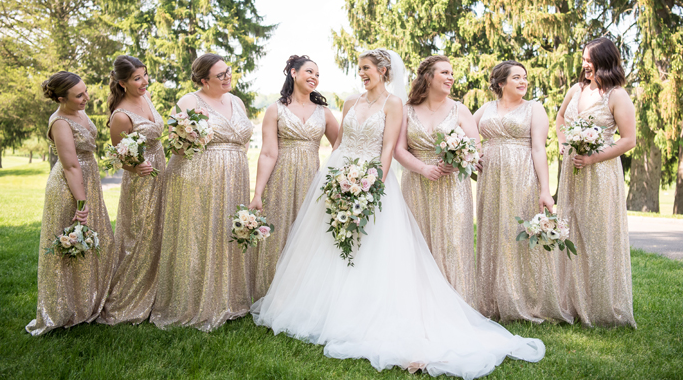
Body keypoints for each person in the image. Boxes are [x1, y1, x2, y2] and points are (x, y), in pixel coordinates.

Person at [252, 49, 545, 378]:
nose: (361, 73)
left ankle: (367, 312)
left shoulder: (394, 105)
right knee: (328, 243)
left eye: (366, 68)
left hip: (373, 181)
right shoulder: (350, 102)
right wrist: (331, 180)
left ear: (383, 70)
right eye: (359, 68)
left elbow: (389, 148)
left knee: (372, 249)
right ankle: (321, 308)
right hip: (337, 177)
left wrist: (370, 186)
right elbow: (339, 145)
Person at [151, 54, 254, 331]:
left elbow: (242, 140)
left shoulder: (237, 101)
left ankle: (229, 296)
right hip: (197, 176)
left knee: (227, 232)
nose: (227, 77)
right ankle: (196, 301)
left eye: (228, 71)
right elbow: (177, 146)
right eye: (220, 75)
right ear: (203, 80)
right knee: (201, 233)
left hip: (234, 177)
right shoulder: (189, 101)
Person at [473, 61, 572, 324]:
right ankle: (492, 299)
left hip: (522, 178)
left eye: (525, 77)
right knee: (494, 232)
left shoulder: (534, 109)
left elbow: (539, 149)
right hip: (491, 181)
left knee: (517, 234)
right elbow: (465, 133)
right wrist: (473, 155)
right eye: (516, 77)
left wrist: (545, 191)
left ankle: (526, 299)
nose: (523, 81)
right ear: (501, 83)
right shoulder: (485, 109)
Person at [556, 37, 637, 327]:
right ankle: (572, 302)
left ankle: (602, 304)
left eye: (588, 59)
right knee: (572, 231)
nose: (584, 64)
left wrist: (592, 158)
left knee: (598, 233)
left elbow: (629, 140)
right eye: (583, 59)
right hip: (572, 171)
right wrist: (565, 144)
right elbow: (561, 118)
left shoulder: (617, 95)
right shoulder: (575, 89)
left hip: (601, 172)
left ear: (604, 60)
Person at [26, 72, 115, 335]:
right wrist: (81, 203)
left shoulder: (80, 112)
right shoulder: (60, 122)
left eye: (85, 91)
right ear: (61, 98)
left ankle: (88, 301)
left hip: (88, 180)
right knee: (69, 242)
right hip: (69, 187)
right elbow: (71, 165)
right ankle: (62, 308)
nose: (86, 98)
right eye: (79, 95)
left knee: (95, 241)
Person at [249, 55, 338, 300]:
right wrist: (257, 193)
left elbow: (341, 147)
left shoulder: (324, 113)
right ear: (293, 72)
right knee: (279, 231)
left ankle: (305, 296)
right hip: (281, 179)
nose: (314, 77)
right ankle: (272, 293)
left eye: (318, 74)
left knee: (309, 234)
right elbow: (267, 153)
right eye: (310, 71)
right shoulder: (275, 109)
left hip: (312, 180)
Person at [395, 55, 478, 306]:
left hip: (452, 186)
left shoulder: (459, 109)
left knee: (453, 244)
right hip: (417, 183)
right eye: (444, 72)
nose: (451, 77)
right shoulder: (406, 110)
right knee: (417, 242)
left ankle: (457, 304)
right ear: (428, 77)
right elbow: (399, 150)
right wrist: (423, 168)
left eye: (452, 73)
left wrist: (457, 162)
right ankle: (419, 304)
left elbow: (475, 148)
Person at [99, 56, 166, 325]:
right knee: (140, 236)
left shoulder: (146, 98)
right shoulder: (121, 116)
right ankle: (129, 298)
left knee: (160, 233)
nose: (144, 81)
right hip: (141, 182)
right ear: (122, 83)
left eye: (145, 75)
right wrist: (135, 168)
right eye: (137, 78)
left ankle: (158, 293)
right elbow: (120, 158)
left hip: (162, 171)